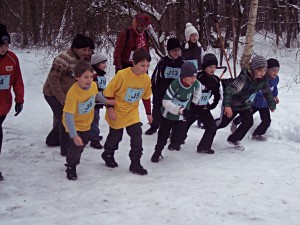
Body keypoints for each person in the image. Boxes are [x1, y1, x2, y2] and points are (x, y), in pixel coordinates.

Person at [102, 48, 152, 175]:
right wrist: (110, 109)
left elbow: (146, 97)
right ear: (133, 63)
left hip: (132, 113)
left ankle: (135, 163)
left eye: (147, 65)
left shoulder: (146, 79)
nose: (145, 68)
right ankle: (108, 153)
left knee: (137, 136)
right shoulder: (122, 75)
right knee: (115, 137)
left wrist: (149, 113)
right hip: (117, 111)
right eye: (142, 65)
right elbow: (108, 93)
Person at [62, 61, 115, 180]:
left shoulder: (93, 86)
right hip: (73, 125)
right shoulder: (73, 93)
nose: (89, 80)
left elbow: (96, 95)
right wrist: (74, 135)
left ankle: (74, 154)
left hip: (86, 123)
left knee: (84, 142)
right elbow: (68, 116)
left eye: (91, 77)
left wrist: (107, 101)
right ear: (77, 77)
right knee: (76, 145)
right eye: (85, 77)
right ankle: (70, 166)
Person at [43, 33, 91, 156]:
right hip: (52, 94)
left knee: (62, 119)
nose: (87, 52)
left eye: (88, 50)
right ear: (76, 48)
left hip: (68, 94)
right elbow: (53, 79)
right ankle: (66, 149)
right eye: (84, 50)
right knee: (65, 120)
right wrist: (61, 97)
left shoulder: (82, 58)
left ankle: (53, 140)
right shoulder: (64, 58)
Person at [217, 55, 276, 151]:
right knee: (223, 123)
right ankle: (211, 125)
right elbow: (229, 91)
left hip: (245, 104)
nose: (262, 73)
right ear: (253, 69)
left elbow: (267, 92)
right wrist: (227, 106)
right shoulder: (244, 78)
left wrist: (271, 104)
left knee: (248, 122)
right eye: (260, 70)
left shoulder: (263, 79)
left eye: (264, 70)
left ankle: (234, 139)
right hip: (233, 104)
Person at [151, 62, 200, 163]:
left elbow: (198, 91)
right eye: (190, 76)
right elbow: (165, 101)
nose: (193, 79)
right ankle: (157, 152)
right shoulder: (175, 85)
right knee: (163, 135)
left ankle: (174, 143)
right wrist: (179, 110)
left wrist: (194, 104)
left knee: (180, 134)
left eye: (194, 76)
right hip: (168, 114)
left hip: (182, 115)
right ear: (183, 76)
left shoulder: (196, 84)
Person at [231, 58, 280, 141]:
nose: (276, 72)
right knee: (246, 118)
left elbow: (274, 88)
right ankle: (235, 122)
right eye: (273, 70)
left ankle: (257, 134)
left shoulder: (276, 79)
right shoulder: (260, 79)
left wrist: (275, 96)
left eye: (277, 70)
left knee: (267, 121)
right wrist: (263, 95)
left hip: (264, 105)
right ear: (267, 70)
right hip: (253, 103)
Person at [145, 38, 185, 135]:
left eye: (178, 50)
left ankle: (174, 131)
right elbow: (155, 78)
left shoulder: (183, 63)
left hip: (175, 93)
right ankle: (154, 126)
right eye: (173, 50)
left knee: (174, 110)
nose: (176, 52)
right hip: (161, 91)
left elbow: (186, 78)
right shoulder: (162, 62)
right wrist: (155, 90)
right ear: (169, 51)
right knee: (157, 109)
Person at [0, 24, 24, 181]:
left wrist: (19, 99)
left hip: (3, 105)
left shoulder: (12, 58)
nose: (5, 48)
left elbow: (17, 80)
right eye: (1, 45)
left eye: (7, 45)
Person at [183, 53, 221, 154]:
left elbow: (217, 93)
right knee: (183, 126)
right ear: (204, 67)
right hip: (192, 107)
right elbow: (187, 90)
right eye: (210, 67)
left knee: (212, 127)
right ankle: (176, 141)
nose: (212, 69)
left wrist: (214, 103)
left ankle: (204, 147)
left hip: (204, 107)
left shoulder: (215, 80)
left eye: (214, 67)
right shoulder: (197, 77)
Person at [181, 22, 205, 128]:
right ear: (187, 37)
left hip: (198, 74)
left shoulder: (199, 48)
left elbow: (203, 59)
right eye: (192, 35)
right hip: (186, 76)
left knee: (198, 95)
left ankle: (200, 118)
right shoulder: (183, 48)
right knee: (187, 96)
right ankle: (185, 114)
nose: (194, 37)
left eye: (196, 35)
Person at [89, 53, 108, 149]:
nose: (105, 65)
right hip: (92, 103)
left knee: (95, 119)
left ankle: (92, 135)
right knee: (93, 121)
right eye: (103, 63)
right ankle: (94, 139)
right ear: (96, 64)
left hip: (98, 102)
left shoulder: (101, 75)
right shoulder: (93, 76)